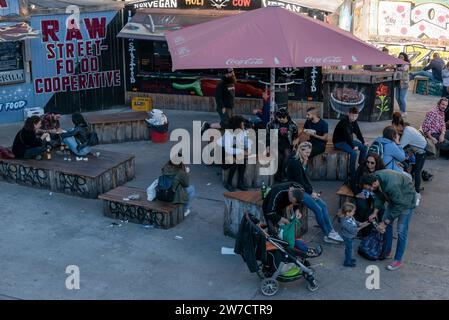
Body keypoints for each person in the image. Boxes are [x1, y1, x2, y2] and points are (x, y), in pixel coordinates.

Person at [286, 141, 344, 243]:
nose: (308, 155)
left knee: (323, 205)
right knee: (318, 209)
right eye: (306, 152)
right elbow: (299, 181)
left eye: (309, 153)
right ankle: (327, 234)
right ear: (300, 150)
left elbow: (305, 179)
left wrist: (312, 190)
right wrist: (311, 192)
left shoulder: (301, 160)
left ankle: (331, 231)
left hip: (304, 188)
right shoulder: (294, 162)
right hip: (296, 191)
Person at [362, 171, 417, 271]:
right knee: (385, 222)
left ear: (374, 183)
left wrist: (385, 222)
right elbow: (379, 196)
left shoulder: (391, 185)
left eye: (369, 188)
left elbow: (400, 205)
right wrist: (375, 212)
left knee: (401, 231)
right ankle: (387, 252)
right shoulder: (376, 178)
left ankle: (398, 260)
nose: (369, 190)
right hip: (395, 199)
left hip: (406, 202)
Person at [391, 112, 427, 194]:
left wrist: (396, 140)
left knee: (417, 171)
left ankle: (416, 191)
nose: (394, 129)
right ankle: (412, 186)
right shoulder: (407, 128)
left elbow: (399, 148)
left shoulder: (407, 133)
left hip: (422, 152)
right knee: (414, 169)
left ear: (399, 126)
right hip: (417, 150)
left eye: (394, 127)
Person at [332, 107, 369, 181]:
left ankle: (361, 167)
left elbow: (358, 132)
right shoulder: (344, 121)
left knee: (364, 148)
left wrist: (363, 142)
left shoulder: (354, 122)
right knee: (354, 153)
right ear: (348, 114)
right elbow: (346, 135)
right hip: (339, 142)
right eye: (352, 115)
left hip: (348, 141)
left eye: (356, 116)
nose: (354, 118)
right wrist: (352, 146)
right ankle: (352, 174)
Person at [351, 153, 385, 232]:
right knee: (361, 206)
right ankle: (359, 228)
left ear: (377, 163)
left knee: (381, 209)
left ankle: (380, 228)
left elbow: (383, 185)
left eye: (372, 163)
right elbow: (353, 180)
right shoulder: (362, 168)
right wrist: (357, 193)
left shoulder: (381, 170)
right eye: (367, 162)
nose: (369, 164)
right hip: (363, 192)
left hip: (376, 193)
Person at [217, 115, 251, 191]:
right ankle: (228, 183)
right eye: (242, 124)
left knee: (242, 159)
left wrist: (248, 148)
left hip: (233, 149)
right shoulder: (228, 134)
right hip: (222, 151)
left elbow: (246, 141)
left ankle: (240, 182)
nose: (243, 125)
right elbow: (228, 149)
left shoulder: (243, 131)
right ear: (236, 126)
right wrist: (242, 151)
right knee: (234, 162)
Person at [267, 108, 298, 182]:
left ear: (286, 116)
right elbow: (268, 136)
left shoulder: (293, 125)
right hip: (275, 144)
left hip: (287, 144)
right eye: (278, 117)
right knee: (278, 157)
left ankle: (283, 173)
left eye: (281, 118)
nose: (279, 119)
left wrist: (295, 144)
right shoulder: (272, 124)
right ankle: (278, 175)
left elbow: (295, 136)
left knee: (287, 156)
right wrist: (268, 147)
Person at [201, 69, 236, 133]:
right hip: (224, 107)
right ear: (226, 74)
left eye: (232, 72)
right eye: (230, 73)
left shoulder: (232, 82)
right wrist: (222, 107)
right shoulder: (221, 84)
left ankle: (228, 137)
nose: (232, 74)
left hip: (231, 107)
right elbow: (218, 97)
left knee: (230, 123)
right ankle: (208, 126)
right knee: (225, 124)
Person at [339, 202, 370, 267]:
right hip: (348, 237)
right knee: (349, 249)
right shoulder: (344, 222)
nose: (354, 212)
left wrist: (361, 223)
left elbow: (354, 222)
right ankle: (347, 262)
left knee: (349, 249)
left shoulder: (349, 216)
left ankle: (349, 259)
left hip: (351, 237)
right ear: (347, 212)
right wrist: (363, 226)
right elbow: (354, 230)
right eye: (353, 211)